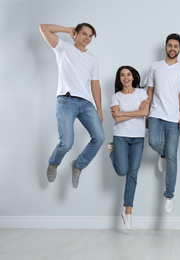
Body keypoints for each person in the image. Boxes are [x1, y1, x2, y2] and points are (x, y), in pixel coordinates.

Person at [39, 23, 105, 188]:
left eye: (90, 36)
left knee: (99, 137)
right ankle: (54, 163)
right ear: (76, 34)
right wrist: (66, 30)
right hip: (66, 100)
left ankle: (77, 165)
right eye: (84, 34)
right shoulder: (63, 47)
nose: (87, 38)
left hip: (86, 103)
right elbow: (43, 28)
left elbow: (95, 85)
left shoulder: (93, 59)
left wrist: (99, 109)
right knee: (66, 143)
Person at [144, 33, 180, 213]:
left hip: (173, 117)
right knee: (154, 142)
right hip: (155, 112)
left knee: (173, 156)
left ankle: (169, 195)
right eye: (170, 45)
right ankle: (161, 154)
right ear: (166, 47)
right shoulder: (155, 67)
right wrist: (146, 113)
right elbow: (150, 90)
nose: (172, 48)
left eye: (176, 46)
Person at [108, 66, 149, 231]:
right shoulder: (115, 97)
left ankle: (128, 213)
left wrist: (123, 114)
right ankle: (112, 152)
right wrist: (136, 112)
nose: (126, 77)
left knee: (132, 175)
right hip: (120, 137)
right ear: (119, 79)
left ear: (133, 77)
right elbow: (116, 119)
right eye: (122, 75)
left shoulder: (141, 93)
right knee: (121, 171)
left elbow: (145, 111)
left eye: (128, 74)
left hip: (138, 138)